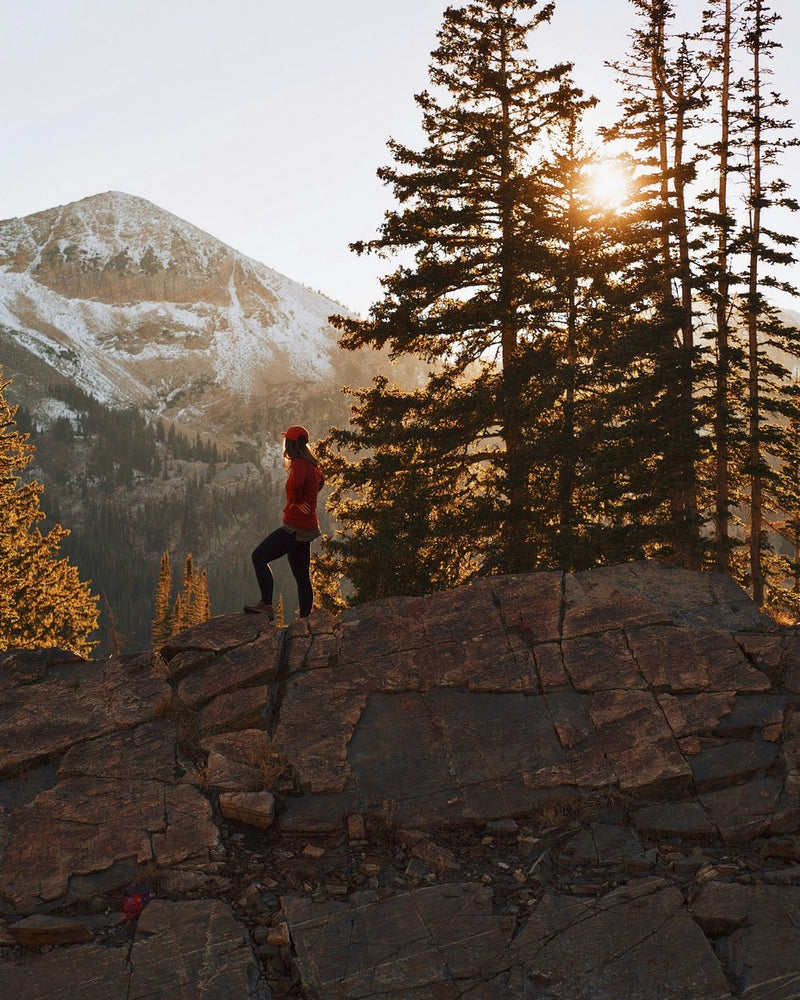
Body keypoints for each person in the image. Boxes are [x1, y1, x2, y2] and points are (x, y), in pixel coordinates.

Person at [244, 425, 324, 620]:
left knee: (259, 557)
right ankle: (305, 619)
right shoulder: (311, 463)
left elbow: (297, 483)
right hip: (307, 527)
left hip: (294, 528)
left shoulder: (298, 464)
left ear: (291, 443)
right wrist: (308, 499)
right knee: (302, 576)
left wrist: (297, 501)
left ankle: (266, 605)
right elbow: (320, 481)